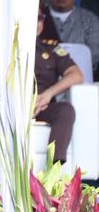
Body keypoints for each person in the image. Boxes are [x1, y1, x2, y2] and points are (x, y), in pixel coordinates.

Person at [34, 10, 84, 163]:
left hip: (43, 105)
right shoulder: (3, 49)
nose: (36, 23)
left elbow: (76, 75)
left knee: (66, 110)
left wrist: (49, 94)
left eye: (39, 18)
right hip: (10, 108)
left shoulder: (51, 48)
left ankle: (54, 169)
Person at [46, 0, 99, 79]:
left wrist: (69, 69)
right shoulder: (41, 18)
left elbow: (95, 53)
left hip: (81, 81)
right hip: (46, 83)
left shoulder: (90, 20)